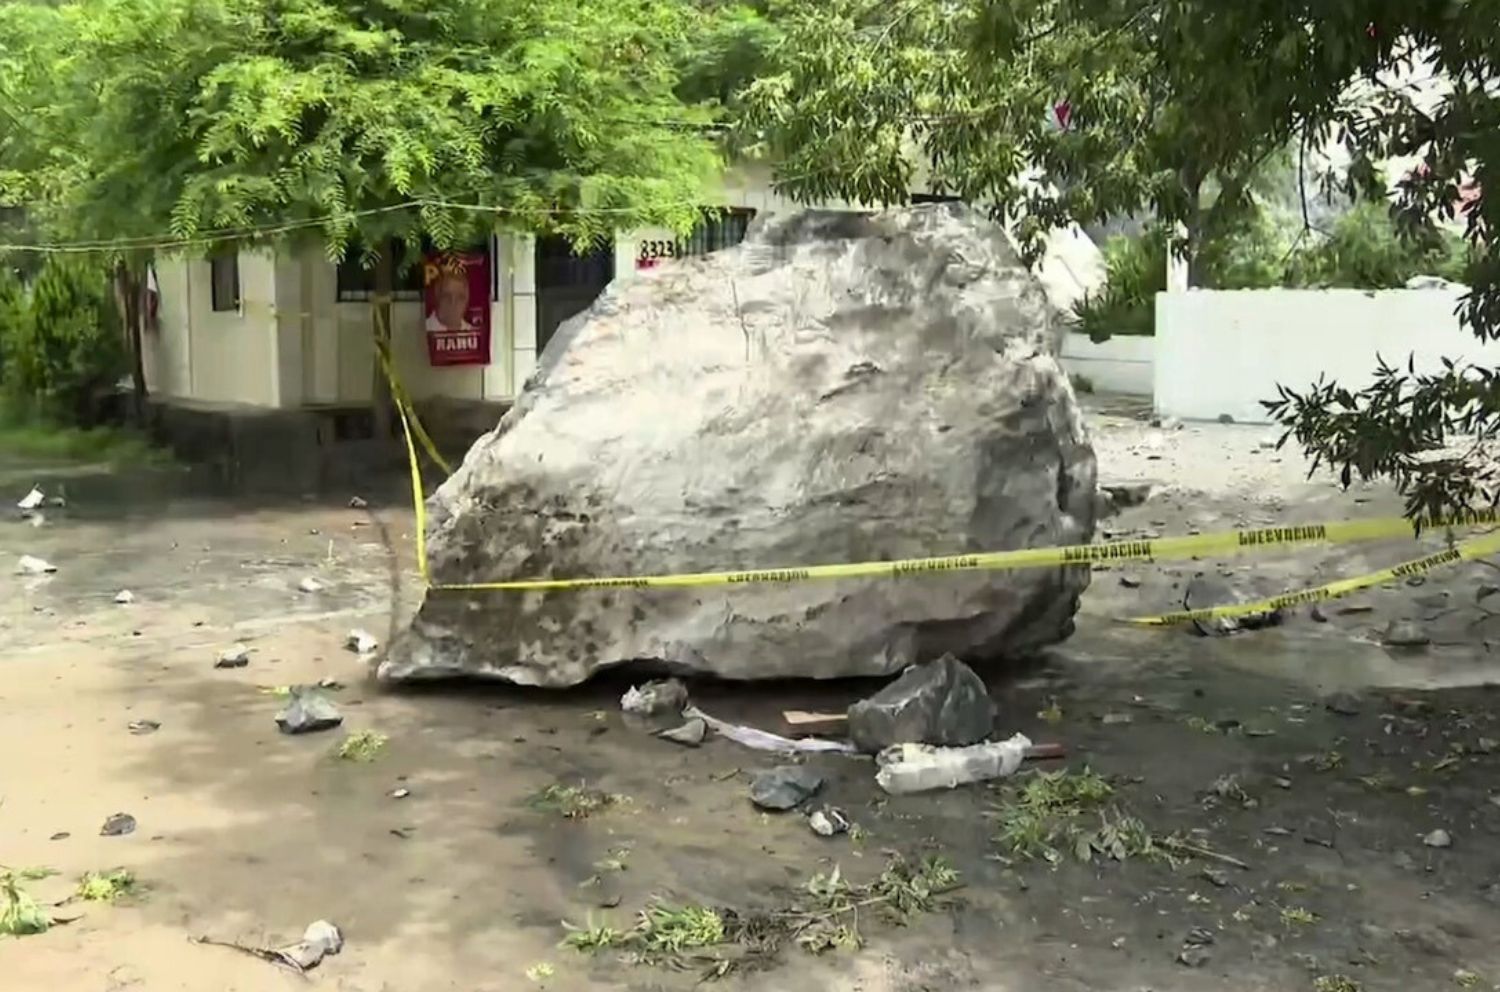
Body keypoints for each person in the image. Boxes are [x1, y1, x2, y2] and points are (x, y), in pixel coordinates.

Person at [426, 267, 472, 332]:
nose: (453, 303)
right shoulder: (423, 330)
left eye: (460, 298)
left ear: (466, 302)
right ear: (437, 298)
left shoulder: (472, 332)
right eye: (447, 296)